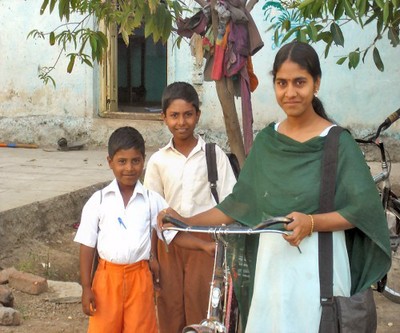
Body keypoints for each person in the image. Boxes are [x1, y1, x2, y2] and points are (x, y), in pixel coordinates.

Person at [158, 42, 391, 332]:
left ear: (316, 83)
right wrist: (184, 222)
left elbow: (362, 211)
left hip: (321, 270)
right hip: (271, 270)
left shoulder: (338, 143)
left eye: (299, 82)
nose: (290, 93)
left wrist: (312, 222)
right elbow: (237, 205)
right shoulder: (267, 142)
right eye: (282, 83)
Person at [74, 126, 214, 333]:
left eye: (135, 161)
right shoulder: (99, 201)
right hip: (106, 279)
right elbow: (87, 245)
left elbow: (173, 235)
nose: (129, 168)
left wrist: (204, 246)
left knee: (141, 328)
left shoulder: (152, 201)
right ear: (110, 162)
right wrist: (86, 287)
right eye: (122, 161)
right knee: (103, 328)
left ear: (143, 161)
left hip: (139, 278)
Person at [143, 82, 237, 333]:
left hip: (205, 244)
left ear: (198, 115)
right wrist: (152, 256)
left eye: (187, 114)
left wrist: (190, 221)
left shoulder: (213, 154)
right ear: (164, 117)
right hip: (169, 246)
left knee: (203, 308)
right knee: (169, 308)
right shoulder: (158, 161)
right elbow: (152, 215)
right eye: (174, 115)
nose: (181, 122)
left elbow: (231, 203)